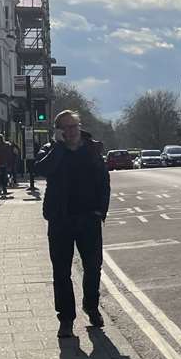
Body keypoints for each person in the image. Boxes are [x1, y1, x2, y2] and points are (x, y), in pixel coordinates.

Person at [35, 110, 111, 338]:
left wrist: (101, 211)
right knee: (61, 271)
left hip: (88, 217)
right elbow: (41, 170)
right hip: (61, 219)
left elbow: (104, 182)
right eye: (65, 128)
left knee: (93, 267)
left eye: (73, 126)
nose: (70, 131)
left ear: (80, 126)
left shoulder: (92, 148)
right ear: (58, 131)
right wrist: (58, 147)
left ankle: (91, 305)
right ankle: (66, 319)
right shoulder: (50, 150)